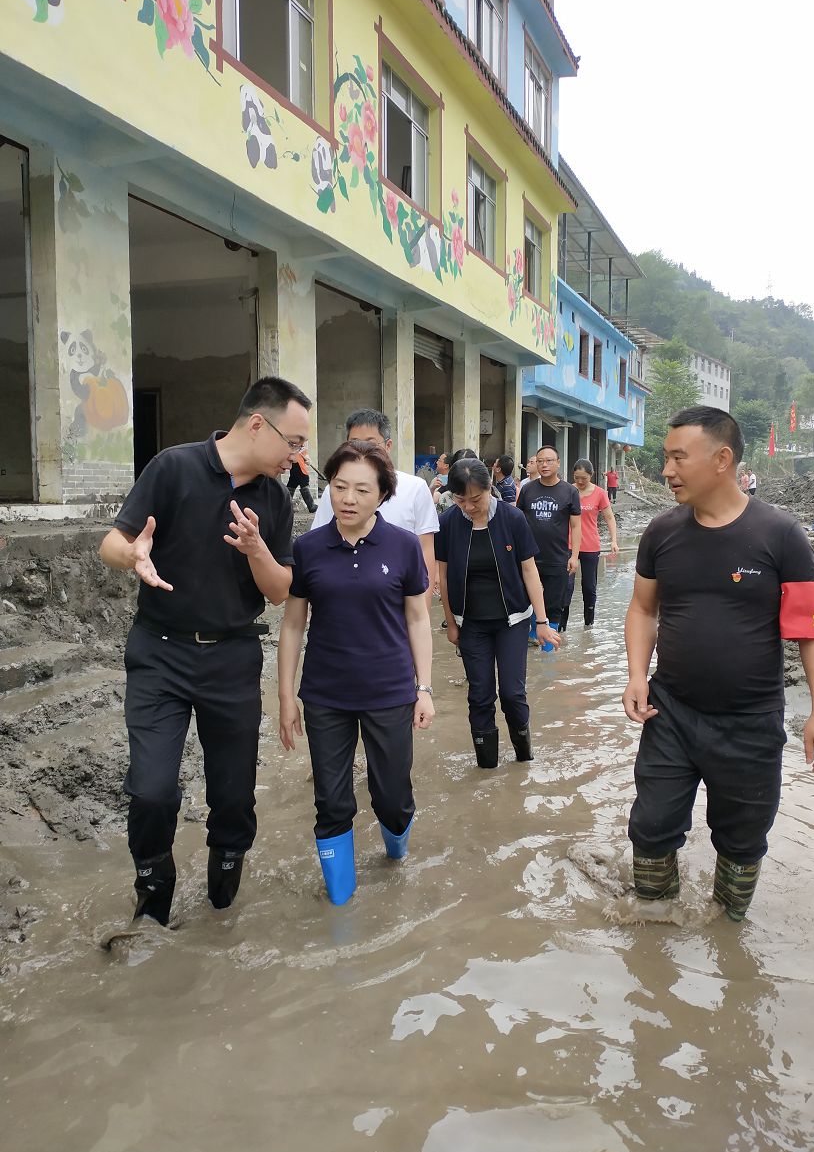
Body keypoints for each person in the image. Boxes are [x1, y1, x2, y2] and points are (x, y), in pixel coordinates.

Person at [99, 376, 312, 926]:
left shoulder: (274, 499)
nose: (298, 454)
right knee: (151, 789)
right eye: (293, 441)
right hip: (160, 653)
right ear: (258, 424)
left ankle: (225, 877)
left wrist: (257, 549)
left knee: (234, 793)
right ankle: (153, 878)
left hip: (233, 655)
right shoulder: (173, 468)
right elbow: (112, 543)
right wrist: (134, 558)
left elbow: (281, 590)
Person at [621, 406, 814, 922]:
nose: (666, 470)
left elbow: (813, 630)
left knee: (742, 841)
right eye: (665, 457)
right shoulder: (661, 532)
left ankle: (726, 932)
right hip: (670, 710)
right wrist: (635, 675)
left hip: (750, 720)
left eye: (678, 457)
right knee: (650, 827)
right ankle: (652, 931)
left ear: (722, 460)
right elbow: (643, 608)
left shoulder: (780, 534)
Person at [278, 440, 434, 905]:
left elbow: (418, 618)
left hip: (390, 690)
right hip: (326, 694)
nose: (347, 498)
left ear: (382, 494)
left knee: (391, 795)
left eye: (361, 490)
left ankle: (396, 852)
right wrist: (286, 696)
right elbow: (292, 624)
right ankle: (341, 906)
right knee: (331, 800)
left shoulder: (403, 546)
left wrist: (423, 687)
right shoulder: (308, 548)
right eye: (340, 487)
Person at [435, 458, 559, 769]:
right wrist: (451, 623)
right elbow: (445, 576)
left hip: (513, 621)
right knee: (479, 695)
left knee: (512, 693)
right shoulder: (450, 521)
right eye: (460, 499)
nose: (468, 507)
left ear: (490, 488)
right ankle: (486, 767)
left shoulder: (512, 518)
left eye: (475, 499)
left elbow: (529, 571)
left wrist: (541, 622)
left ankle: (523, 760)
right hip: (471, 624)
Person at [311, 409, 439, 590]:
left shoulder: (415, 488)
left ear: (388, 446)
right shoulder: (334, 492)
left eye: (371, 444)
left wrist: (422, 609)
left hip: (396, 597)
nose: (362, 451)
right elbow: (318, 542)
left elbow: (425, 550)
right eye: (354, 444)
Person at [516, 444, 582, 646]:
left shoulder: (570, 491)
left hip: (556, 557)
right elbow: (517, 520)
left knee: (554, 606)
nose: (544, 465)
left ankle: (548, 663)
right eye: (540, 461)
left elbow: (576, 525)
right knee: (524, 603)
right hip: (528, 559)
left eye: (549, 461)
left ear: (558, 463)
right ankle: (530, 644)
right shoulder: (527, 489)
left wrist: (574, 556)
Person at [559, 458, 620, 630]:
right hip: (569, 546)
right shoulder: (567, 491)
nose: (579, 481)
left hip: (590, 546)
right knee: (567, 586)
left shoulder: (600, 493)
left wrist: (613, 540)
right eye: (576, 477)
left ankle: (588, 626)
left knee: (589, 586)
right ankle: (561, 627)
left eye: (583, 478)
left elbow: (609, 517)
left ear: (591, 476)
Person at [287, 441, 316, 512]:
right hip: (298, 469)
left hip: (298, 468)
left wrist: (307, 460)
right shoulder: (295, 448)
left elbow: (307, 460)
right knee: (301, 486)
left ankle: (286, 506)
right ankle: (311, 506)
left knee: (292, 487)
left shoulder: (301, 449)